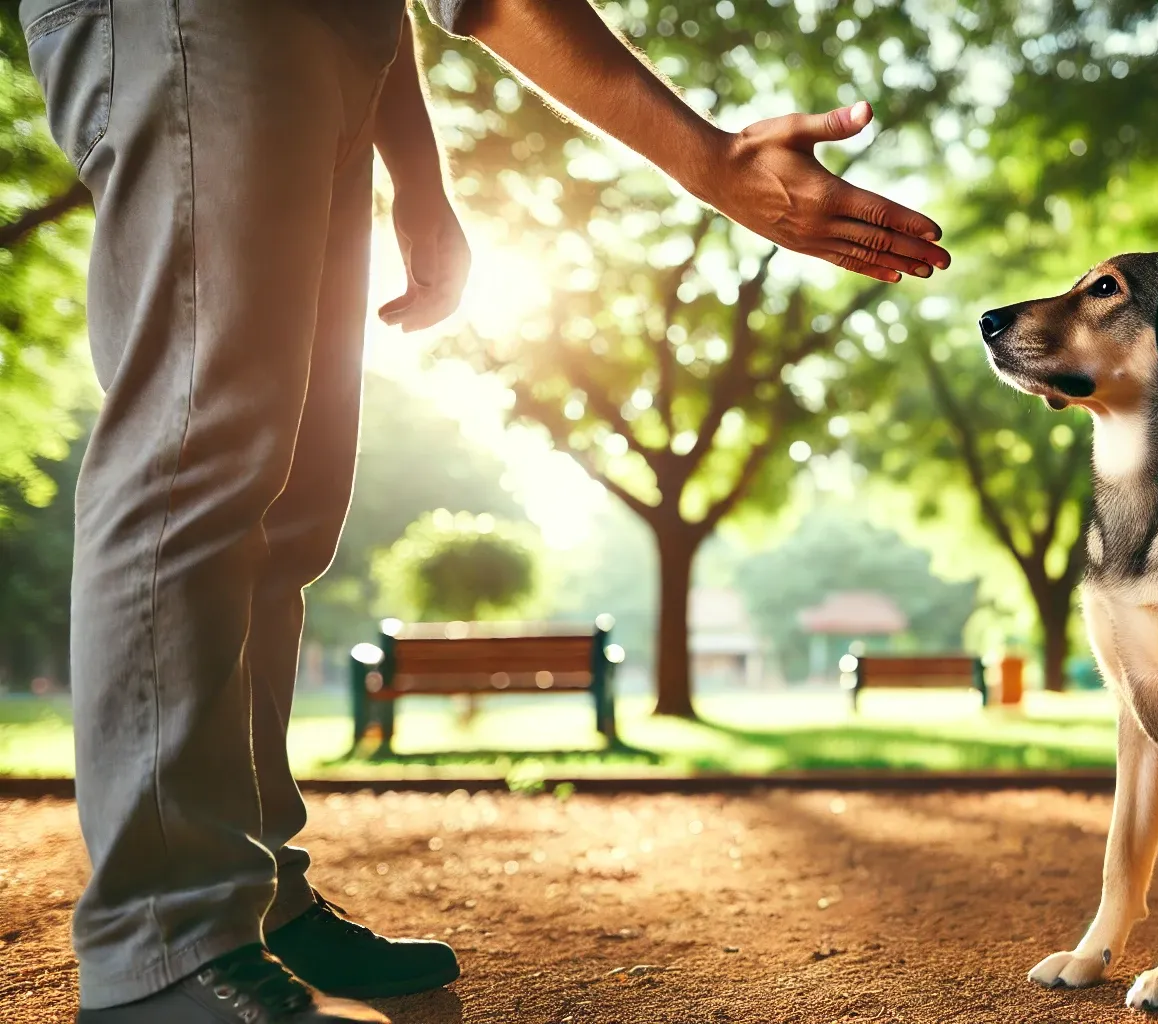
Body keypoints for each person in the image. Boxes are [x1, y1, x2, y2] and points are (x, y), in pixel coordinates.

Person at [20, 0, 950, 1020]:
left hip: (334, 36)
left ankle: (253, 901)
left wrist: (415, 169)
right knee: (196, 449)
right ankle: (161, 946)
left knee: (289, 508)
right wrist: (713, 160)